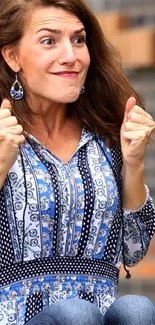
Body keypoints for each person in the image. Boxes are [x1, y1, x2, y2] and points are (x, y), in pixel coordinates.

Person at [0, 0, 155, 324]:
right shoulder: (3, 135)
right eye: (49, 41)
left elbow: (134, 251)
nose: (71, 56)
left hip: (97, 314)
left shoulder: (107, 136)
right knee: (74, 313)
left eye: (79, 40)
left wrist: (134, 162)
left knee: (138, 310)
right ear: (12, 56)